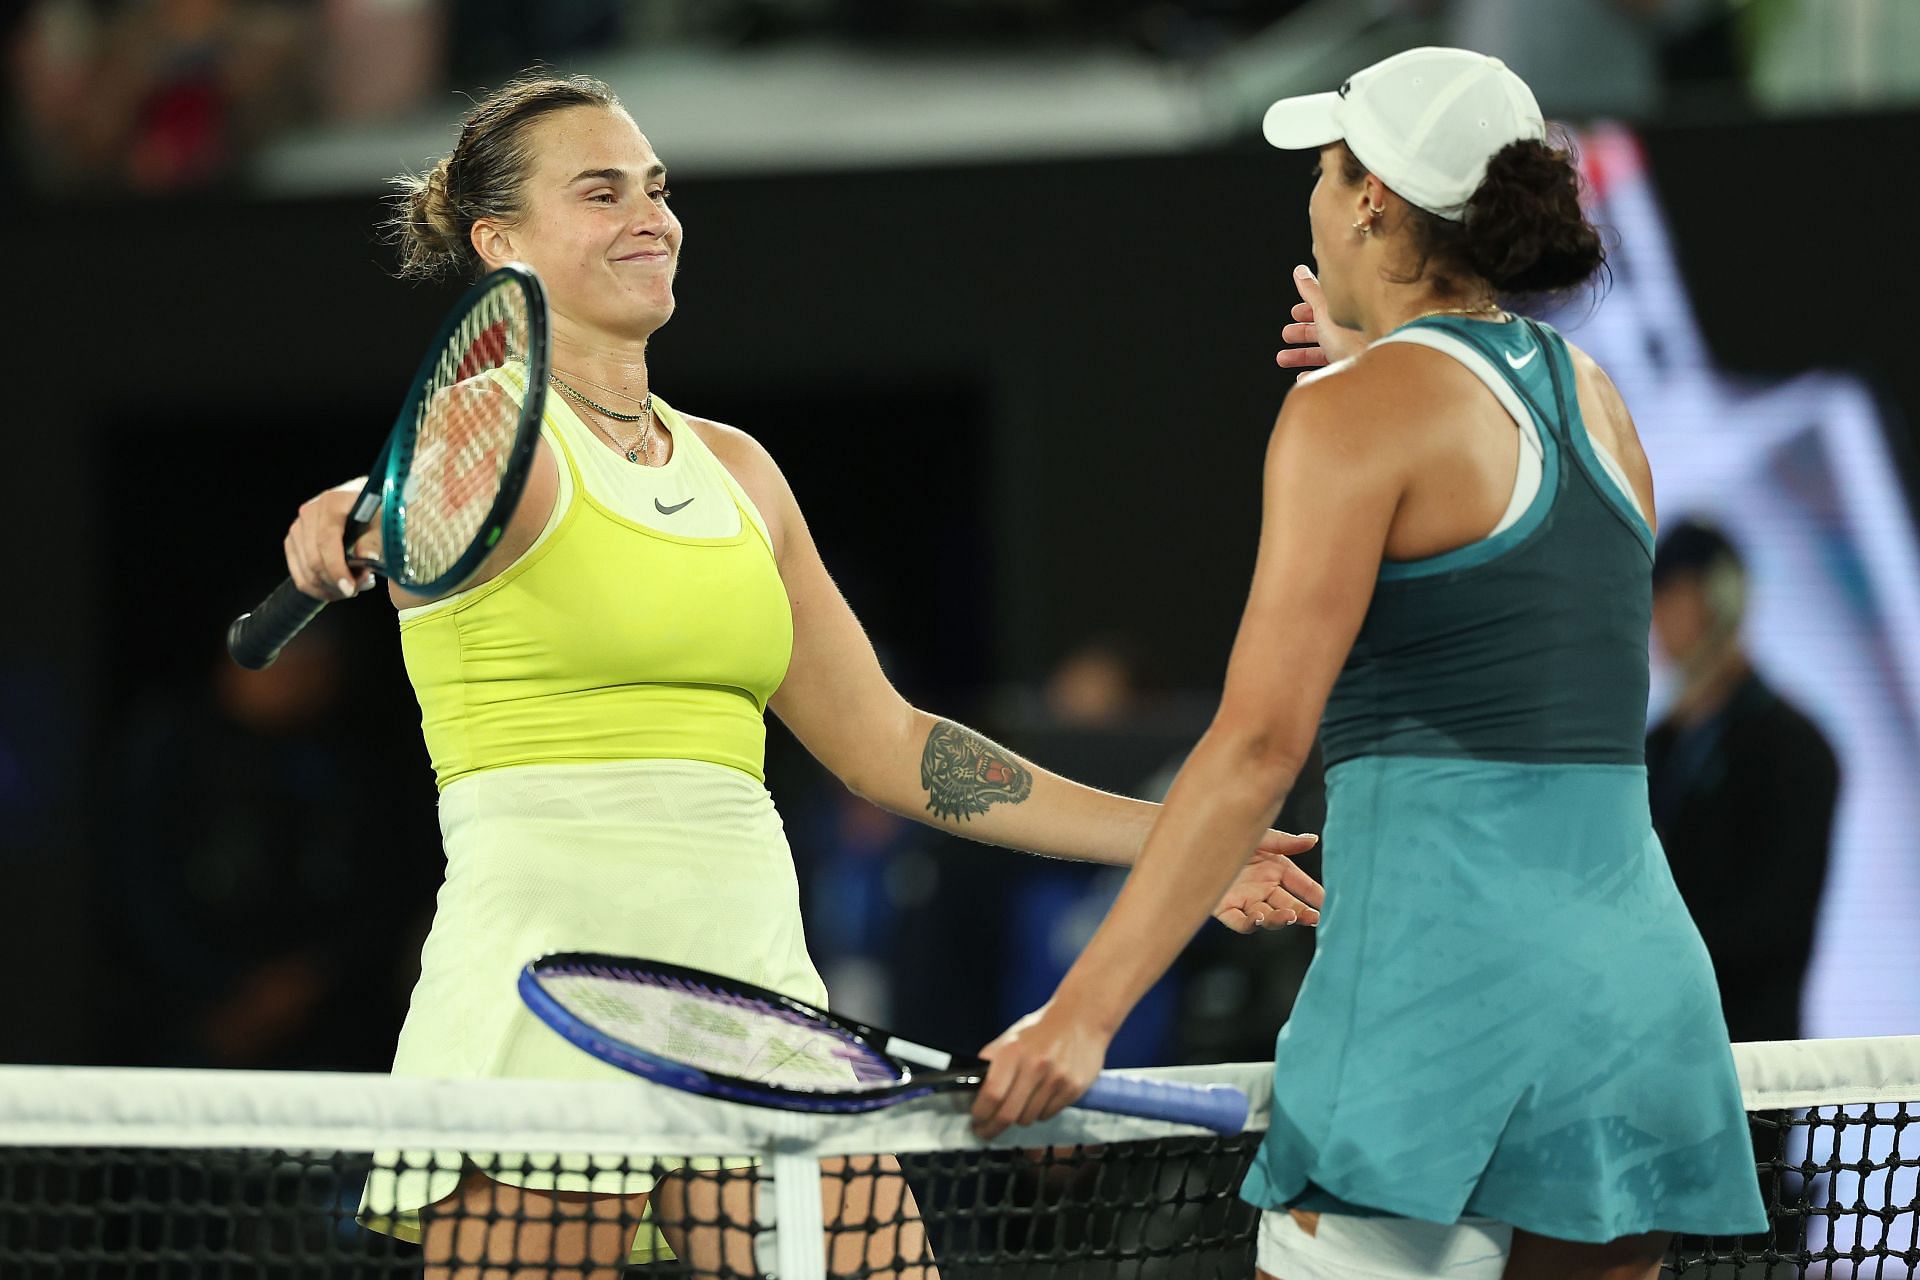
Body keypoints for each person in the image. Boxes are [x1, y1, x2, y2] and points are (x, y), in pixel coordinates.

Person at [273, 73, 1324, 1280]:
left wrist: (1183, 840)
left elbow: (895, 745)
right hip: (541, 1004)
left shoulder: (739, 472)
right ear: (498, 242)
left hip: (754, 1001)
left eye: (658, 189)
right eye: (601, 192)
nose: (651, 217)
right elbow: (413, 500)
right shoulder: (485, 428)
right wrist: (353, 513)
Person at [971, 47, 1767, 1280]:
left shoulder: (1351, 418)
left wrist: (1084, 1012)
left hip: (1439, 1005)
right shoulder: (1598, 401)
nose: (1312, 193)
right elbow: (1499, 595)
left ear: (1370, 204)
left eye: (1326, 167)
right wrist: (1368, 347)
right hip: (1635, 1007)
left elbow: (1256, 747)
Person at [1646, 519, 1839, 1043]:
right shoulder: (1657, 745)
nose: (1657, 616)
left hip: (1751, 1055)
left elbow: (1779, 920)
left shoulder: (1795, 747)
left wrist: (1657, 947)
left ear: (1719, 600)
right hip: (1656, 1050)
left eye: (1672, 595)